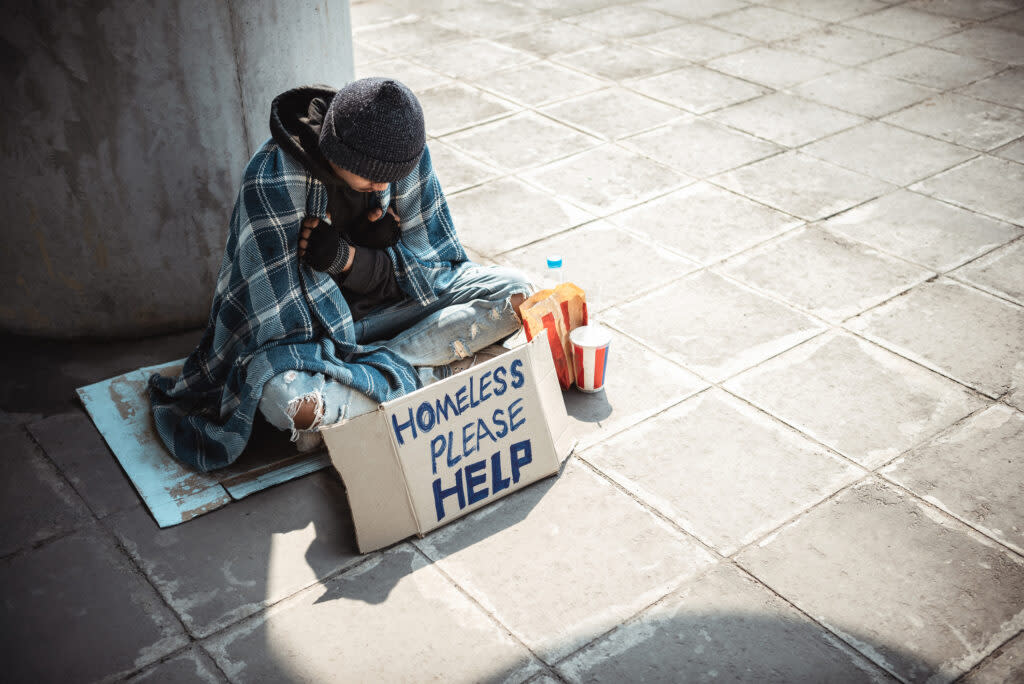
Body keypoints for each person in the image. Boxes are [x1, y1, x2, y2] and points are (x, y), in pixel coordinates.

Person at [149, 78, 531, 472]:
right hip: (318, 337)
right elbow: (280, 327)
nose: (384, 185)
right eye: (371, 177)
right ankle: (438, 372)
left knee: (517, 293)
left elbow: (432, 270)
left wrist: (356, 259)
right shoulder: (272, 180)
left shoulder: (402, 157)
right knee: (288, 402)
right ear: (338, 151)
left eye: (392, 176)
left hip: (393, 314)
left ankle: (373, 389)